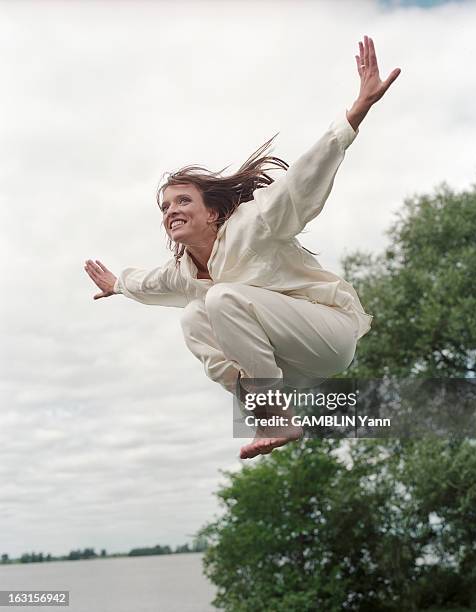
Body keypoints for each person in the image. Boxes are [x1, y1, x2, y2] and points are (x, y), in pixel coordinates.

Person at [84, 36, 400, 460]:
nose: (171, 211)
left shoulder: (254, 225)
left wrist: (355, 113)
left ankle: (274, 415)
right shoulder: (182, 270)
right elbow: (150, 283)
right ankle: (265, 405)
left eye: (183, 201)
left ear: (212, 213)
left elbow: (300, 183)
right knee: (195, 316)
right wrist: (119, 284)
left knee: (221, 297)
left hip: (330, 335)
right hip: (294, 361)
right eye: (165, 206)